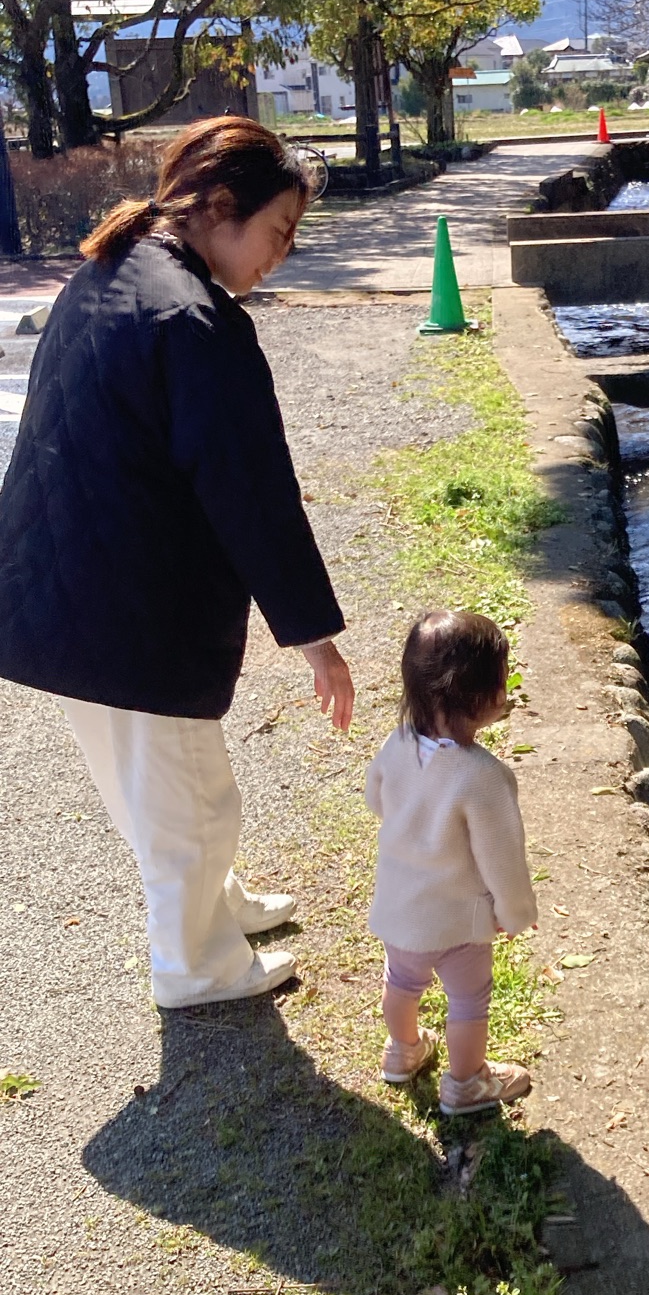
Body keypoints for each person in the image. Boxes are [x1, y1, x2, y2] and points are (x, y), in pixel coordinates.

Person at [0, 116, 354, 1009]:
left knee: (160, 786)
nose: (280, 256)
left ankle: (215, 908)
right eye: (278, 232)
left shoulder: (112, 268)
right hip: (123, 600)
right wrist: (315, 637)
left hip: (63, 579)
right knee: (184, 800)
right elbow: (251, 493)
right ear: (221, 208)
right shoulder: (195, 320)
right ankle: (195, 964)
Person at [366, 609, 537, 1116]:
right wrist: (514, 910)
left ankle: (403, 1050)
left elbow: (376, 798)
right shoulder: (484, 777)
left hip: (399, 908)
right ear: (483, 698)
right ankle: (465, 1083)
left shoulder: (396, 744)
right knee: (468, 1001)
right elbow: (501, 858)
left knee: (402, 982)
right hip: (458, 921)